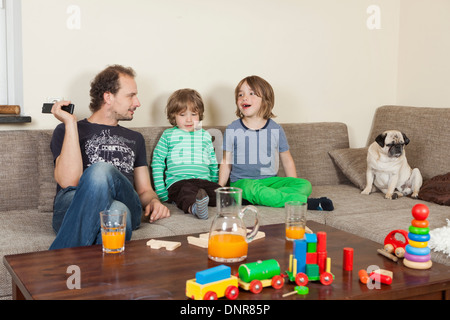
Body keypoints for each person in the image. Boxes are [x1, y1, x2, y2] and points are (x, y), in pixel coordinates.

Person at [49, 65, 170, 250]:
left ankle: (58, 260)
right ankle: (101, 277)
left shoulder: (135, 138)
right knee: (116, 212)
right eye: (131, 95)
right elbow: (68, 181)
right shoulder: (66, 130)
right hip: (72, 204)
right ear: (108, 97)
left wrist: (154, 201)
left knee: (102, 173)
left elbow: (145, 190)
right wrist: (70, 124)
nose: (137, 103)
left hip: (127, 200)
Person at [218, 75, 333, 210]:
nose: (244, 97)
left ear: (265, 100)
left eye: (251, 93)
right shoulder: (232, 128)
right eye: (240, 94)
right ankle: (304, 202)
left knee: (305, 185)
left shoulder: (275, 129)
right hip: (242, 183)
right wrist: (219, 188)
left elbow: (287, 159)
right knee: (251, 188)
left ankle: (267, 197)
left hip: (270, 182)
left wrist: (292, 182)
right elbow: (226, 162)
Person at [151, 89, 221, 219]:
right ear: (174, 116)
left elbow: (212, 163)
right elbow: (158, 162)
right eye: (182, 115)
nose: (189, 119)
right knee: (186, 192)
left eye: (193, 114)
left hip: (204, 182)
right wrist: (161, 191)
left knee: (222, 194)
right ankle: (194, 208)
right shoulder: (168, 135)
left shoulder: (205, 135)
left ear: (200, 115)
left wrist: (214, 182)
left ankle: (208, 202)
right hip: (179, 182)